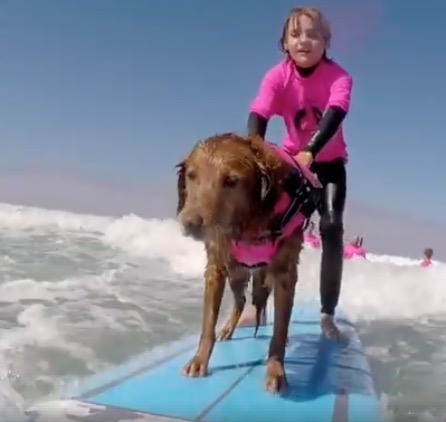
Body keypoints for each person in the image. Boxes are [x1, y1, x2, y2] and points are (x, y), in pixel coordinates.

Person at [244, 6, 353, 340]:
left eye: (313, 34)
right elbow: (258, 113)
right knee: (267, 224)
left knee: (332, 226)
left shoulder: (339, 77)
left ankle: (326, 314)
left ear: (325, 42)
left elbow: (335, 113)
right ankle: (256, 304)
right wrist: (254, 153)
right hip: (294, 162)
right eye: (295, 34)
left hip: (330, 163)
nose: (304, 40)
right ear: (285, 42)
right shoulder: (277, 77)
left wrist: (312, 150)